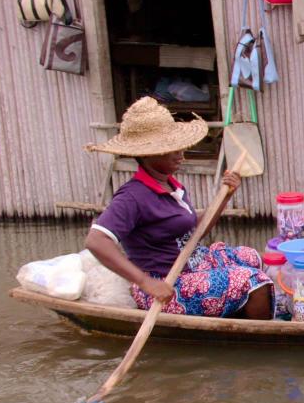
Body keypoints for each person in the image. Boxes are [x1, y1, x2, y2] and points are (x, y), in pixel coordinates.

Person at [84, 97, 273, 319]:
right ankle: (259, 336)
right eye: (172, 149)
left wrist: (225, 197)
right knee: (255, 282)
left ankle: (246, 309)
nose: (181, 153)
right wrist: (147, 283)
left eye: (180, 147)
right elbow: (95, 241)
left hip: (192, 260)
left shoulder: (171, 184)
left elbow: (196, 230)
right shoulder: (132, 196)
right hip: (167, 283)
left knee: (256, 257)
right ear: (148, 154)